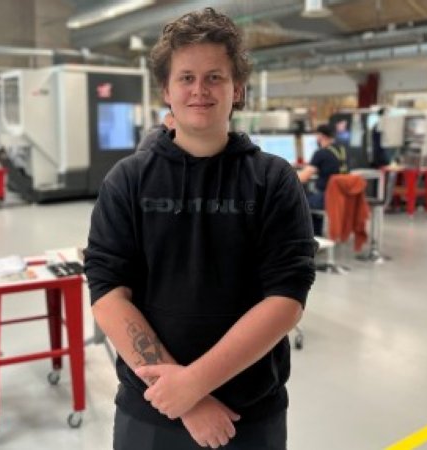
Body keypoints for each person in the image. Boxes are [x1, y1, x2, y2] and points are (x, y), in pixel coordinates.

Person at [84, 7, 316, 450]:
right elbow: (108, 291)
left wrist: (193, 384)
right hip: (151, 411)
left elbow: (287, 296)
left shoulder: (273, 180)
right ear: (167, 90)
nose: (199, 90)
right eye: (186, 77)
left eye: (215, 77)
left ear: (237, 88)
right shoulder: (128, 180)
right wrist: (185, 399)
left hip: (248, 414)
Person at [298, 123, 348, 236]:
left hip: (327, 198)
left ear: (321, 136)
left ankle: (311, 236)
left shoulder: (321, 153)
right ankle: (317, 235)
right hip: (342, 196)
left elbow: (302, 178)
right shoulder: (342, 150)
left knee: (301, 201)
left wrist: (287, 173)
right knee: (312, 196)